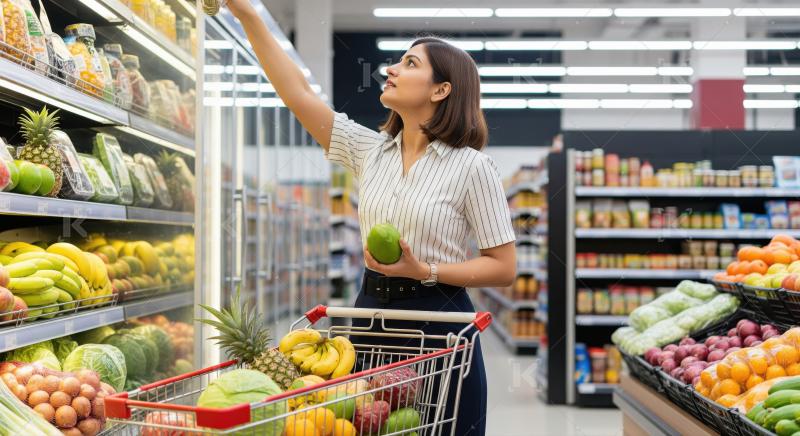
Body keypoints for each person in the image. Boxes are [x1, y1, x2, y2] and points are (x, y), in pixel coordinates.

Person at [225, 2, 517, 434]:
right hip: (371, 316)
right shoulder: (369, 150)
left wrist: (425, 270)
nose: (393, 68)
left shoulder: (472, 167)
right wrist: (247, 13)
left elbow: (503, 267)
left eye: (410, 62)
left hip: (440, 322)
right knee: (370, 425)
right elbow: (297, 94)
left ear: (440, 91)